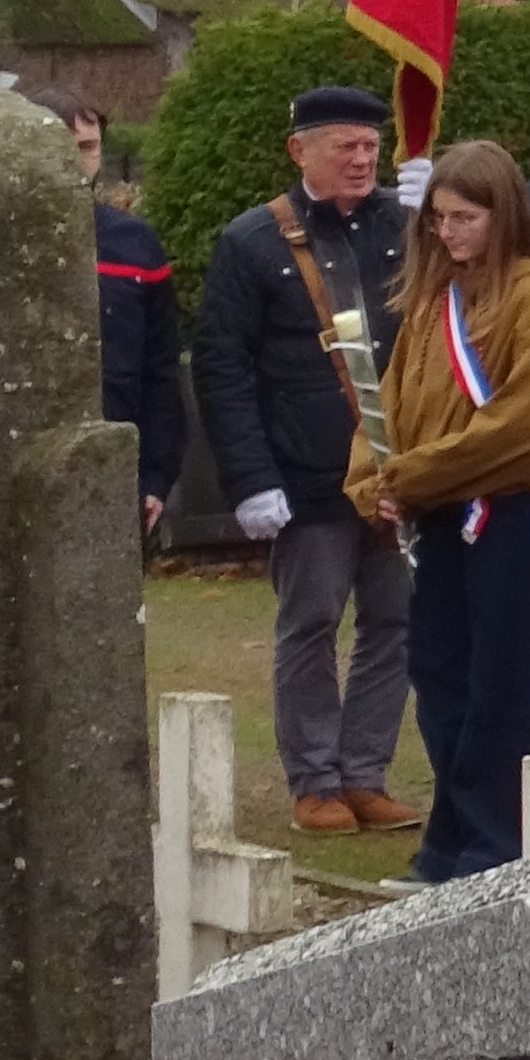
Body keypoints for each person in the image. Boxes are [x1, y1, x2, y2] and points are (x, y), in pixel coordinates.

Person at [358, 141, 530, 883]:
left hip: (508, 512)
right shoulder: (432, 299)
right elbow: (386, 406)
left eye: (464, 218)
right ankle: (451, 838)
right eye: (439, 219)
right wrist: (372, 482)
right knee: (441, 676)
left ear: (501, 214)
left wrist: (412, 474)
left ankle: (495, 844)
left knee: (503, 682)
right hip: (436, 515)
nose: (448, 233)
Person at [194, 83, 416, 835]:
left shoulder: (409, 228)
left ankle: (365, 774)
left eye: (369, 147)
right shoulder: (252, 241)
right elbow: (222, 369)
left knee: (395, 623)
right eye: (344, 146)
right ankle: (315, 780)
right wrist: (253, 480)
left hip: (400, 470)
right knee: (311, 624)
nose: (362, 160)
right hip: (306, 472)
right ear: (300, 151)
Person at [62, 102, 186, 533]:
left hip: (113, 458)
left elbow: (159, 368)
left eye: (89, 146)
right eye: (67, 146)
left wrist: (156, 475)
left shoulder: (133, 242)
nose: (80, 160)